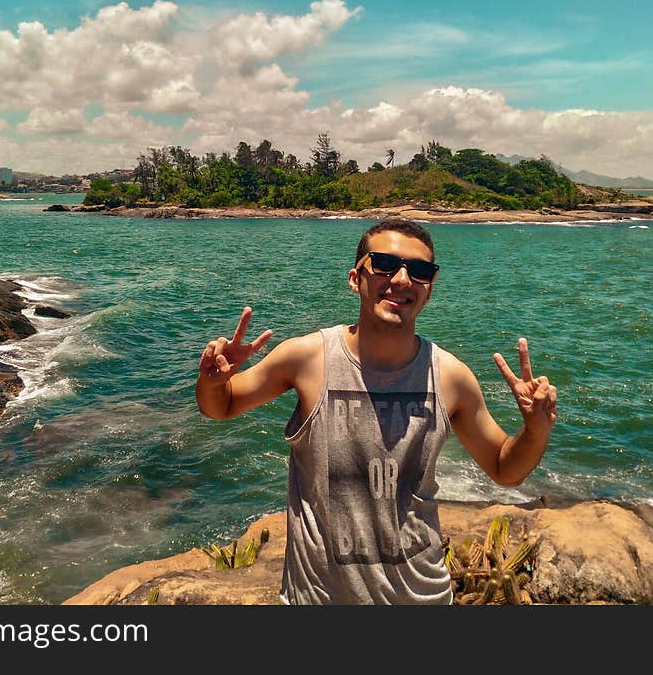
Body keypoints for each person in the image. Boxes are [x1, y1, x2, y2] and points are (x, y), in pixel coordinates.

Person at [196, 218, 557, 604]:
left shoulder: (450, 377)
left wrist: (535, 429)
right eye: (384, 264)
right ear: (356, 278)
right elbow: (223, 406)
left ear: (429, 290)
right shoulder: (308, 358)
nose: (402, 280)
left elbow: (505, 468)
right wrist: (214, 382)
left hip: (421, 597)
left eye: (419, 271)